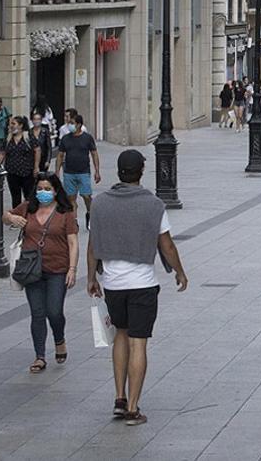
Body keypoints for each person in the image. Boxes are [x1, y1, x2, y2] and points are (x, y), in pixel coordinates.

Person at [87, 150, 189, 426]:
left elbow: (93, 244)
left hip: (113, 284)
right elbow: (166, 244)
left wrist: (91, 278)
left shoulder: (99, 204)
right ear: (141, 172)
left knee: (120, 334)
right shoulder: (153, 205)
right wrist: (179, 271)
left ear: (119, 171)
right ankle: (133, 408)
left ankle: (119, 398)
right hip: (142, 283)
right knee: (138, 342)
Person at [3, 174, 78, 374]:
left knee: (54, 311)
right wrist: (11, 217)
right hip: (32, 268)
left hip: (58, 269)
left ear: (55, 191)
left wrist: (72, 269)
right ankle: (40, 356)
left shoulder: (65, 212)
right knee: (37, 313)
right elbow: (5, 216)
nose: (42, 193)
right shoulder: (29, 207)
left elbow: (73, 242)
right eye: (40, 189)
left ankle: (59, 338)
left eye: (47, 189)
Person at [56, 114, 100, 229]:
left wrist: (97, 170)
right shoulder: (65, 139)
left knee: (86, 195)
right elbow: (60, 155)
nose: (70, 125)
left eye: (72, 123)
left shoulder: (87, 138)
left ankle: (89, 213)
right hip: (69, 172)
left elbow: (94, 153)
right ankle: (73, 220)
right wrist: (57, 171)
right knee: (71, 198)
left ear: (79, 124)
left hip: (83, 172)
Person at [0, 116, 41, 208]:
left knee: (29, 196)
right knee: (15, 198)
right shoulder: (8, 138)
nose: (11, 126)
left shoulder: (28, 137)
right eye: (10, 124)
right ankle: (17, 218)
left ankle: (29, 216)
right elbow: (2, 153)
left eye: (14, 124)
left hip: (27, 172)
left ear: (21, 125)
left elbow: (37, 150)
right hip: (12, 172)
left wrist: (36, 166)